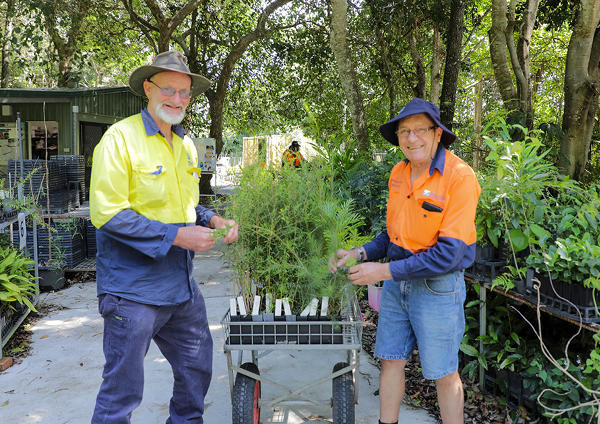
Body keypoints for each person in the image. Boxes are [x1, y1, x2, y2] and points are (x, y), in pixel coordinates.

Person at [89, 50, 239, 424]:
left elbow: (185, 206)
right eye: (168, 89)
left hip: (181, 288)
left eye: (185, 92)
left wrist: (212, 218)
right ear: (148, 88)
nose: (177, 99)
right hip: (132, 291)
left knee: (196, 372)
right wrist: (177, 237)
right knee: (121, 392)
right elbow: (108, 214)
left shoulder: (185, 144)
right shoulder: (120, 138)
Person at [331, 98, 480, 424]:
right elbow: (393, 235)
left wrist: (382, 271)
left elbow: (448, 254)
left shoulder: (459, 177)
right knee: (391, 361)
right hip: (398, 285)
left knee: (444, 373)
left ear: (437, 134)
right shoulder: (398, 173)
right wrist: (359, 253)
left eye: (420, 130)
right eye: (404, 132)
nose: (412, 138)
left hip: (438, 288)